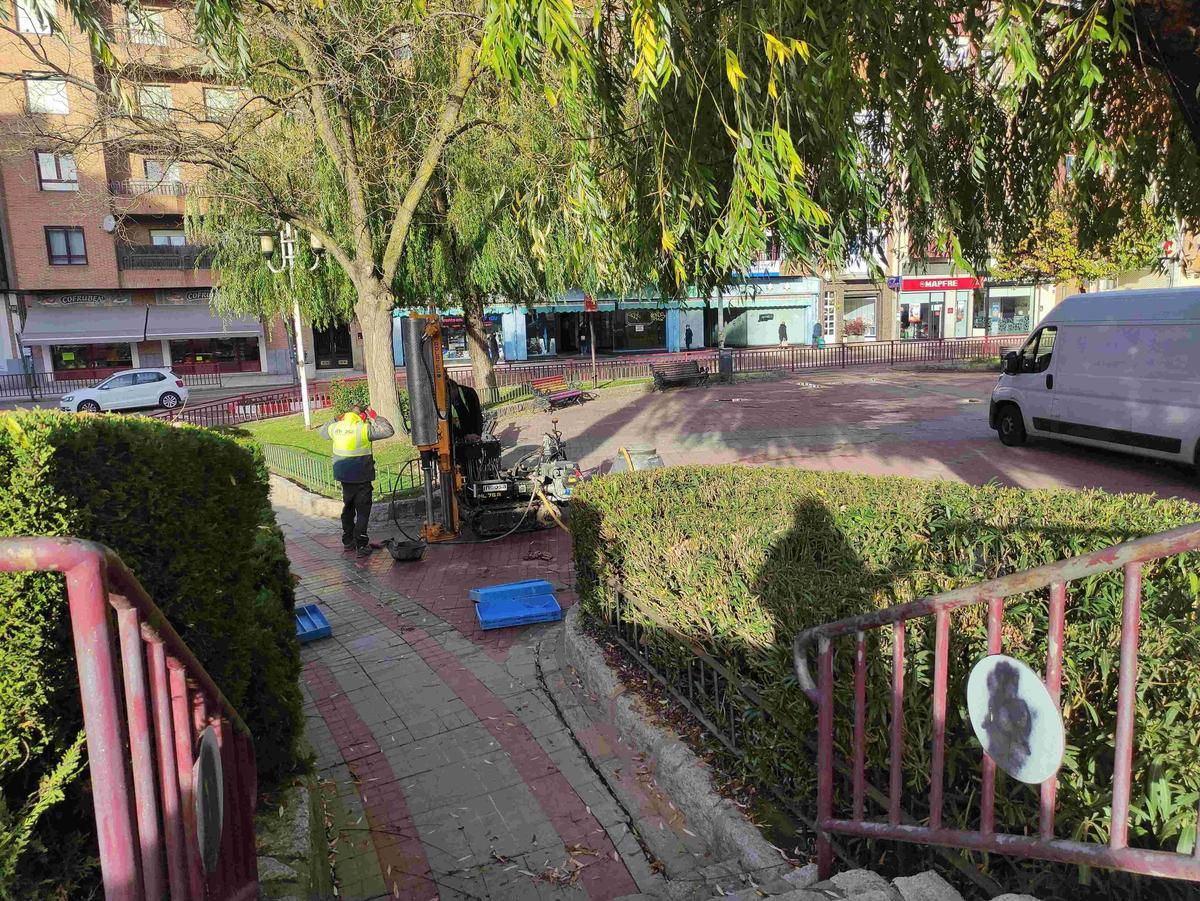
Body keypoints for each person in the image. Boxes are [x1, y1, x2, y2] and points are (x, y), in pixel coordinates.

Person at [319, 403, 394, 556]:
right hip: (361, 477)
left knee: (348, 508)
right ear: (362, 415)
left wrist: (335, 419)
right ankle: (361, 545)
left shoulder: (336, 428)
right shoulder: (363, 429)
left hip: (344, 478)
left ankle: (348, 542)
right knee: (362, 511)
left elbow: (321, 432)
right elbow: (388, 431)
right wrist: (374, 416)